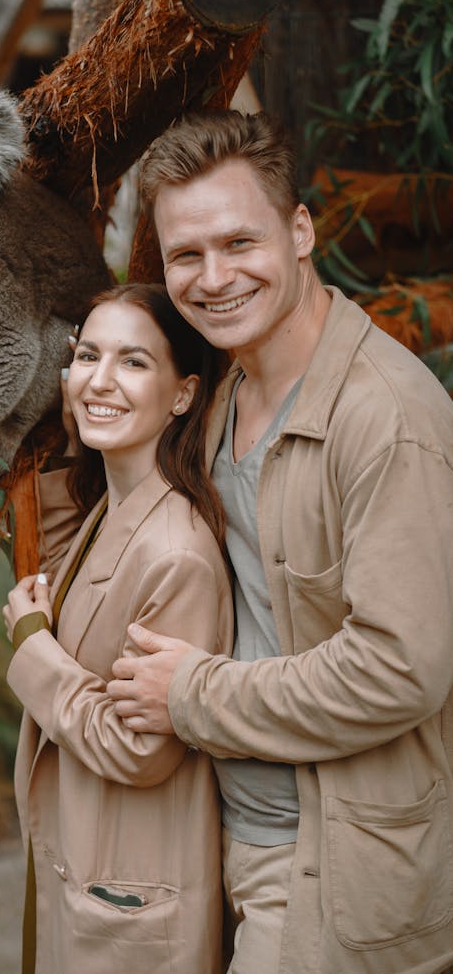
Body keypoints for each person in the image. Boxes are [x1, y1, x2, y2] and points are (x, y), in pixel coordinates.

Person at [106, 111, 453, 974]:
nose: (214, 278)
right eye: (186, 255)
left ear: (299, 232)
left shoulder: (385, 418)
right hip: (228, 835)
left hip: (332, 866)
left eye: (239, 243)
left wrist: (194, 695)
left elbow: (402, 667)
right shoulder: (225, 391)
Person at [3, 282, 233, 974]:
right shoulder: (112, 505)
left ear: (185, 394)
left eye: (133, 363)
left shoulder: (176, 554)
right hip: (86, 858)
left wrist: (33, 648)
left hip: (132, 888)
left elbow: (143, 751)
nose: (99, 381)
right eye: (88, 357)